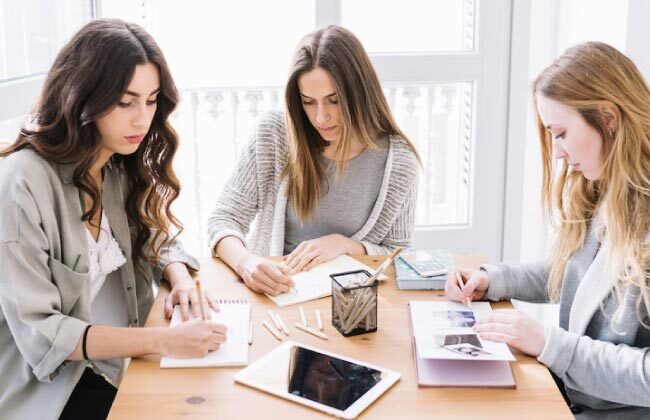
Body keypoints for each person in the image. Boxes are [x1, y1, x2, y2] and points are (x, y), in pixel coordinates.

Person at [0, 19, 226, 420]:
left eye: (152, 100)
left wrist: (178, 275)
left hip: (110, 368)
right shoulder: (22, 183)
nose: (142, 120)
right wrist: (162, 341)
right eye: (125, 102)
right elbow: (43, 333)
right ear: (81, 95)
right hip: (46, 390)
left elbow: (152, 233)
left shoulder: (114, 165)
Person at [445, 42, 650, 418]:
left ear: (608, 118)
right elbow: (572, 272)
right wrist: (493, 280)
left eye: (560, 133)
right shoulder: (605, 190)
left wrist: (552, 344)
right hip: (573, 398)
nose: (556, 152)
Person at [208, 25, 420, 296]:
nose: (321, 117)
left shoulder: (399, 161)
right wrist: (246, 263)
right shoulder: (273, 135)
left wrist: (344, 245)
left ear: (360, 95)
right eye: (308, 102)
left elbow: (398, 255)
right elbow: (223, 219)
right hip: (276, 297)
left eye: (334, 101)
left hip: (351, 306)